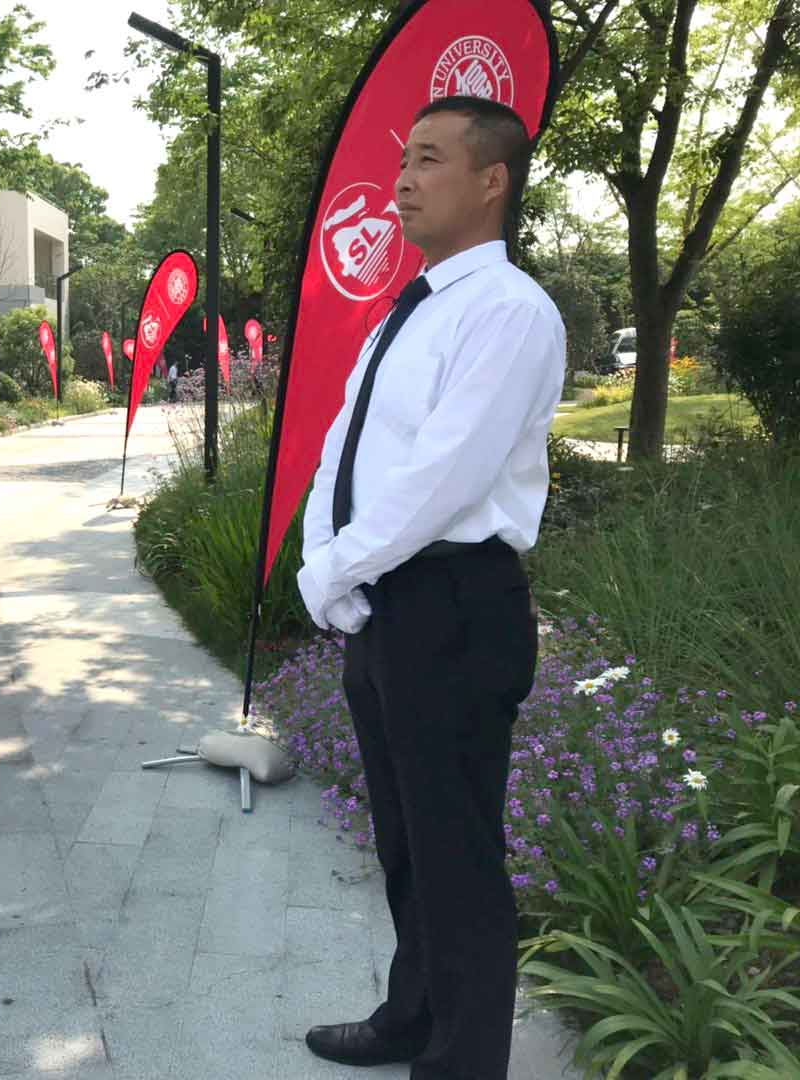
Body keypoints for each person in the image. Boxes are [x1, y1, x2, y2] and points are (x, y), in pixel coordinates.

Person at [298, 95, 565, 1080]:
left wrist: (339, 566)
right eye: (403, 161)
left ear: (492, 181)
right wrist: (323, 562)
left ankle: (461, 1062)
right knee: (407, 840)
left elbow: (442, 476)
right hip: (389, 603)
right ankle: (412, 1015)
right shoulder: (407, 312)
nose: (403, 182)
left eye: (429, 160)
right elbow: (345, 445)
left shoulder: (510, 311)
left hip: (454, 605)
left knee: (457, 852)